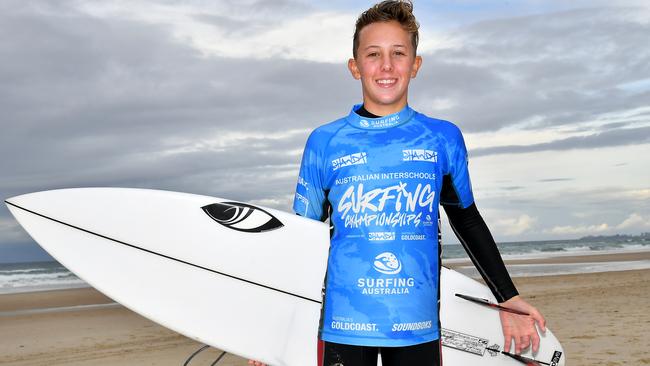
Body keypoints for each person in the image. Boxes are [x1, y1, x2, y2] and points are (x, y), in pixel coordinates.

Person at [250, 1, 545, 365]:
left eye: (398, 53)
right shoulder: (325, 143)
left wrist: (508, 296)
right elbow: (303, 238)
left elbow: (466, 219)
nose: (386, 66)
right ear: (355, 67)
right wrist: (274, 330)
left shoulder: (441, 138)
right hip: (343, 327)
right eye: (373, 54)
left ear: (415, 65)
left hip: (418, 326)